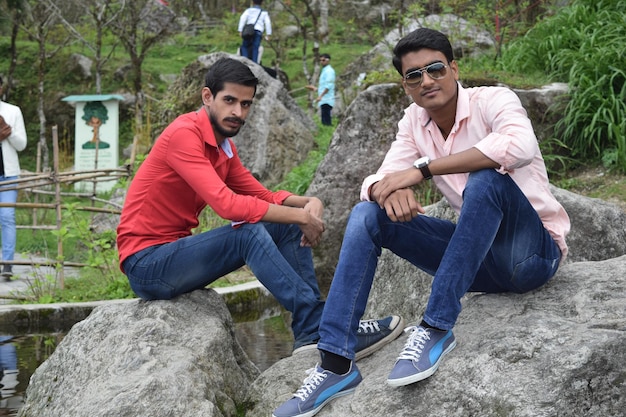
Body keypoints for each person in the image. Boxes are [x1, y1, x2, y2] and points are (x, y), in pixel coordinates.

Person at [273, 28, 570, 417]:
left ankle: (435, 328)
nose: (427, 80)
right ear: (406, 85)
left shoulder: (493, 99)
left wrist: (422, 171)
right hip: (479, 264)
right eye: (415, 75)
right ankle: (335, 363)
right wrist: (388, 189)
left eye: (435, 69)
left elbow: (518, 147)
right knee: (368, 215)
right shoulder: (414, 121)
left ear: (453, 69)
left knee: (486, 179)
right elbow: (375, 182)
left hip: (531, 256)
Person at [117, 57, 403, 358]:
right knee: (247, 232)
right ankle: (326, 325)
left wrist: (306, 203)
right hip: (147, 264)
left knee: (287, 225)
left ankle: (310, 332)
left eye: (246, 104)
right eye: (229, 101)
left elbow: (261, 194)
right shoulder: (183, 135)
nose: (238, 112)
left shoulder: (224, 147)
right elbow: (227, 205)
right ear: (207, 97)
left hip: (174, 256)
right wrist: (301, 215)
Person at [0, 76, 27, 280]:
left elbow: (22, 145)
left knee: (7, 216)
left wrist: (7, 131)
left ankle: (7, 264)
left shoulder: (12, 111)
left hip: (8, 173)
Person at [238, 0, 271, 64]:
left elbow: (242, 18)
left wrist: (240, 30)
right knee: (255, 48)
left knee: (244, 46)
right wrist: (268, 34)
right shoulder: (264, 12)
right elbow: (268, 23)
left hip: (249, 31)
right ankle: (254, 63)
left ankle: (245, 61)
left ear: (253, 2)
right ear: (262, 3)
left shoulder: (248, 10)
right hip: (258, 31)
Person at [306, 54, 335, 126]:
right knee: (324, 118)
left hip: (327, 99)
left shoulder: (329, 71)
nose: (322, 62)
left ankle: (329, 131)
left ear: (328, 60)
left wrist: (321, 96)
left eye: (323, 60)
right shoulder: (324, 71)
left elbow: (328, 86)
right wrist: (315, 89)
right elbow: (323, 86)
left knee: (326, 119)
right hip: (324, 99)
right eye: (320, 60)